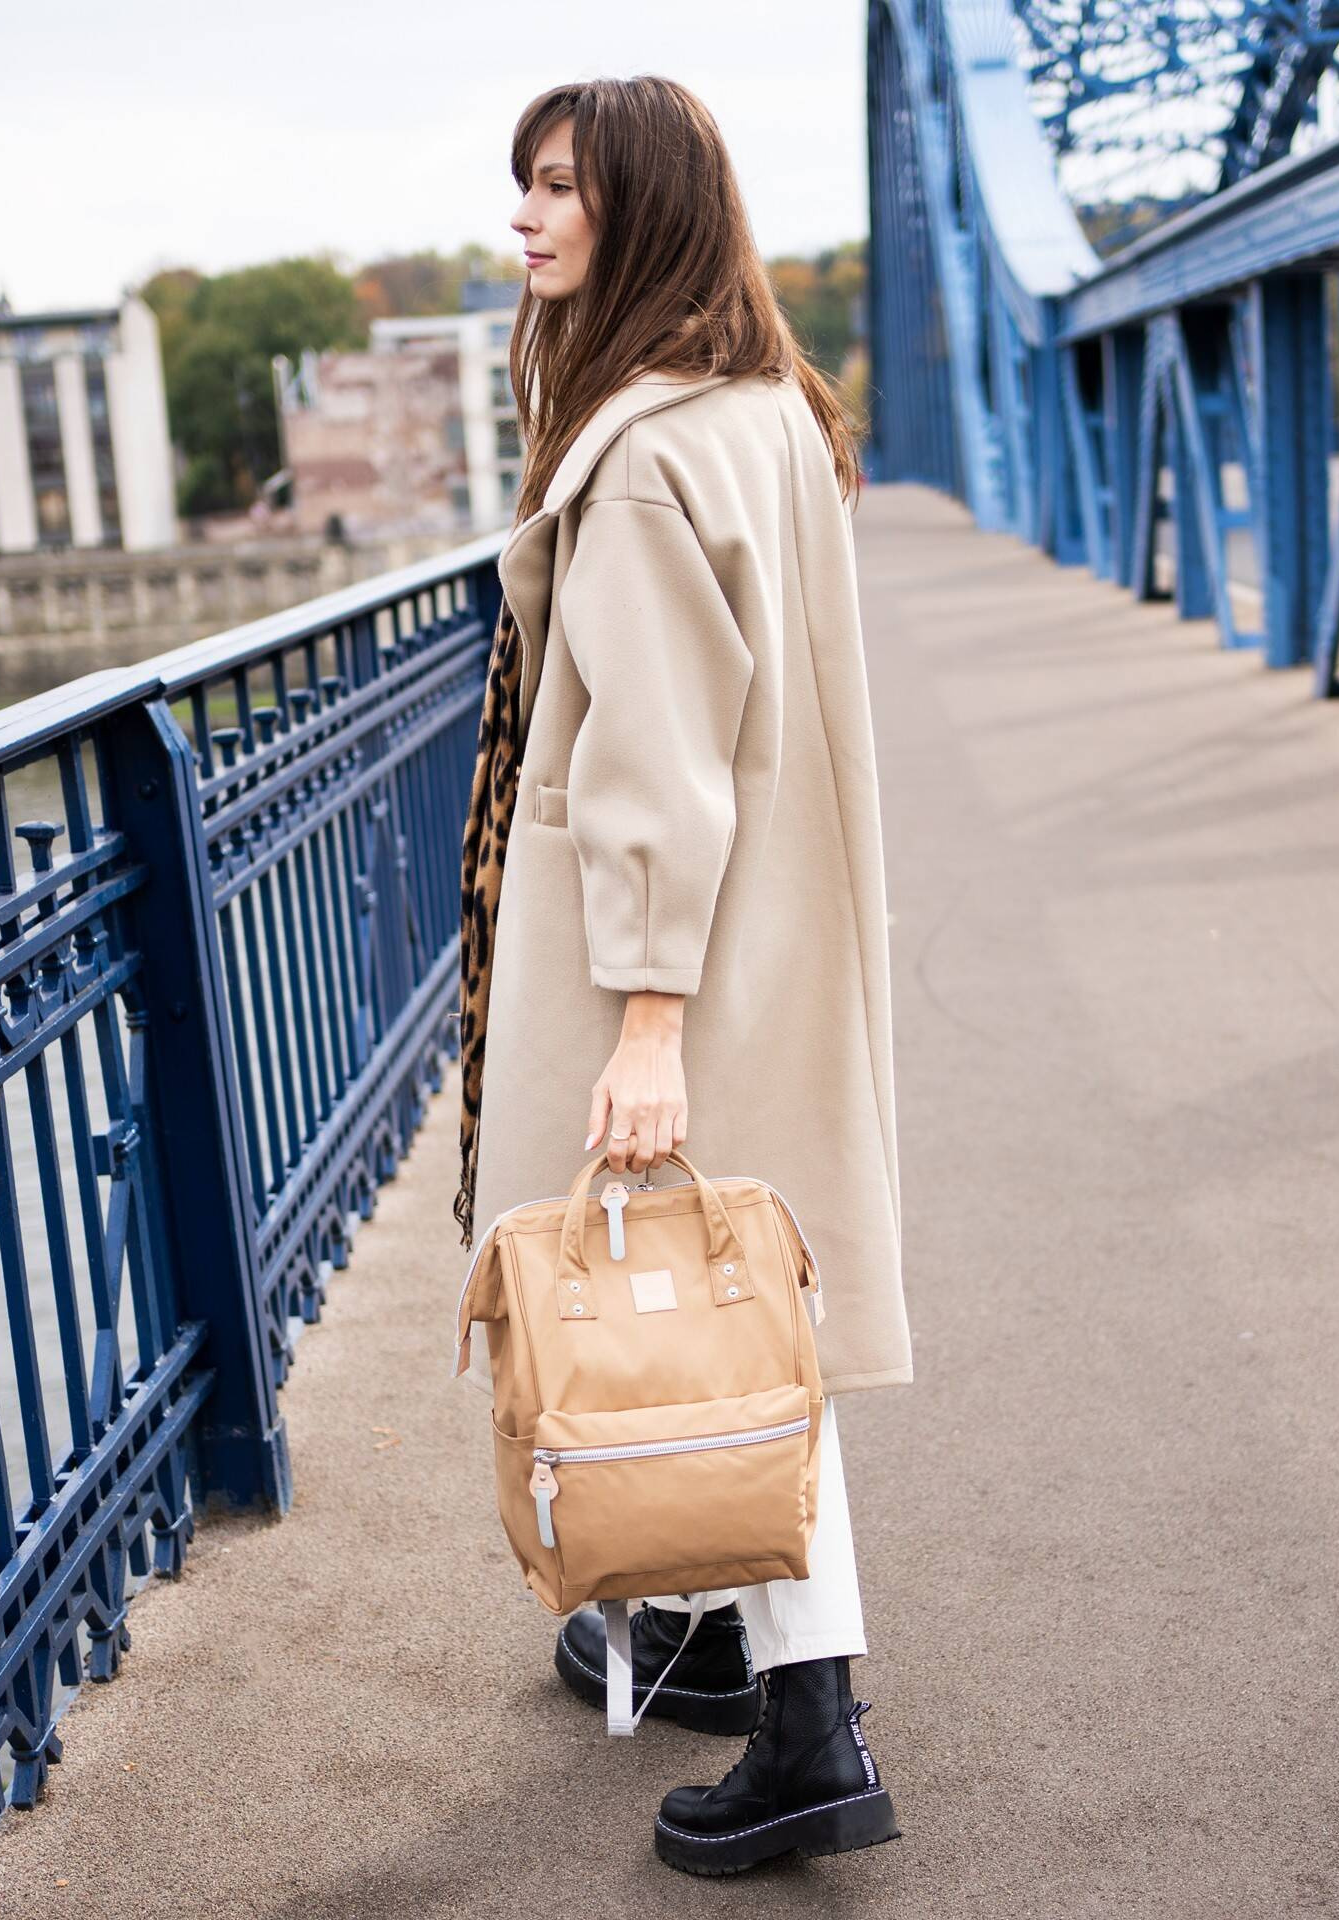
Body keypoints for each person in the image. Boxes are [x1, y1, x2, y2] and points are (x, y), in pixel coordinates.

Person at [452, 75, 914, 1876]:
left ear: (638, 207)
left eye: (560, 187)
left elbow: (653, 759)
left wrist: (646, 1022)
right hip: (775, 919)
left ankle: (811, 1726)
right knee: (752, 1304)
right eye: (524, 185)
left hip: (681, 954)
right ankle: (731, 1645)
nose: (526, 217)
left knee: (712, 1326)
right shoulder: (767, 409)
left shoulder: (640, 456)